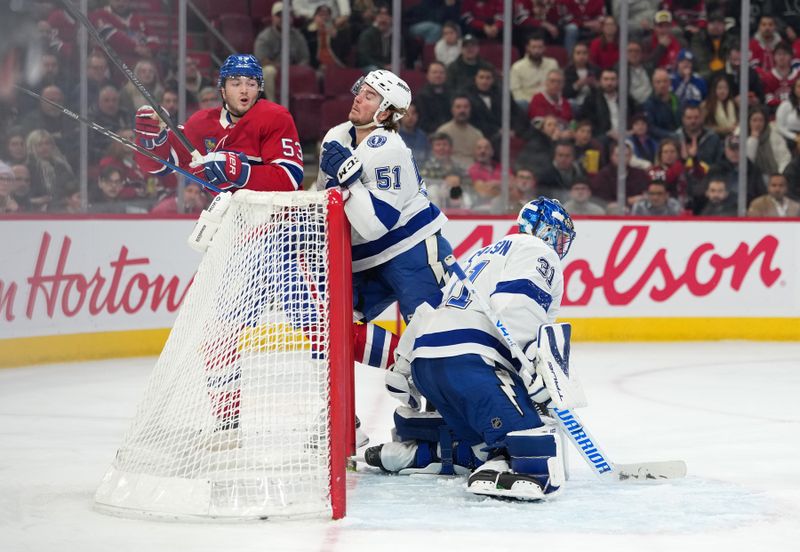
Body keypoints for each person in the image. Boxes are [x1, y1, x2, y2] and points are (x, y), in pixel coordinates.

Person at [364, 197, 576, 501]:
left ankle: (419, 452)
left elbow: (431, 309)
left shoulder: (482, 254)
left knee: (482, 444)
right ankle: (507, 465)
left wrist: (405, 364)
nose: (559, 246)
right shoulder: (538, 252)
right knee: (533, 437)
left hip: (427, 364)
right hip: (471, 363)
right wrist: (535, 368)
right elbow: (520, 307)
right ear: (541, 229)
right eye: (558, 236)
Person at [316, 69, 453, 375]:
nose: (358, 98)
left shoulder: (388, 148)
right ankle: (406, 369)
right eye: (360, 91)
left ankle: (441, 406)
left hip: (412, 251)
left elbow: (377, 223)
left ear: (386, 111)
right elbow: (325, 199)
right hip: (364, 260)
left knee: (437, 335)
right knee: (329, 327)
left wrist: (350, 180)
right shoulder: (336, 137)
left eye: (370, 95)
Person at [134, 54, 304, 193]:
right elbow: (158, 165)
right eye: (236, 83)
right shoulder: (202, 123)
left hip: (282, 224)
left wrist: (240, 172)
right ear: (222, 90)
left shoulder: (275, 117)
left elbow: (290, 178)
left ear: (259, 89)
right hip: (234, 225)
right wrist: (149, 138)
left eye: (251, 84)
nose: (244, 89)